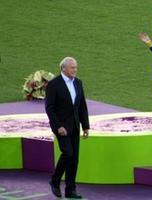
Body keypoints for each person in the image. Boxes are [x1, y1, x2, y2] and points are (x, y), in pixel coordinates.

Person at [45, 57, 89, 199]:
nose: (75, 70)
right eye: (72, 68)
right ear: (63, 68)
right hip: (61, 127)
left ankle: (71, 190)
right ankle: (55, 181)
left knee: (74, 158)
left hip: (75, 126)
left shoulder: (78, 83)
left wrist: (85, 126)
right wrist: (58, 127)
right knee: (68, 153)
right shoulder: (54, 84)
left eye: (76, 67)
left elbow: (81, 105)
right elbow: (50, 108)